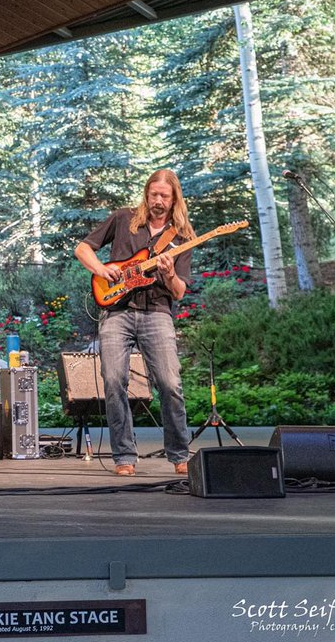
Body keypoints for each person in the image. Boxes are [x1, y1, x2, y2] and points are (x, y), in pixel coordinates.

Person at [74, 169, 193, 477]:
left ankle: (180, 454)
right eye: (153, 194)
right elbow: (82, 248)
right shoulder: (124, 219)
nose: (158, 200)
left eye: (164, 196)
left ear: (174, 198)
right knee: (114, 381)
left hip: (157, 311)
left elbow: (179, 291)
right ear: (146, 193)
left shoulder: (181, 237)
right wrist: (101, 270)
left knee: (170, 383)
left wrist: (168, 274)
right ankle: (124, 456)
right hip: (117, 311)